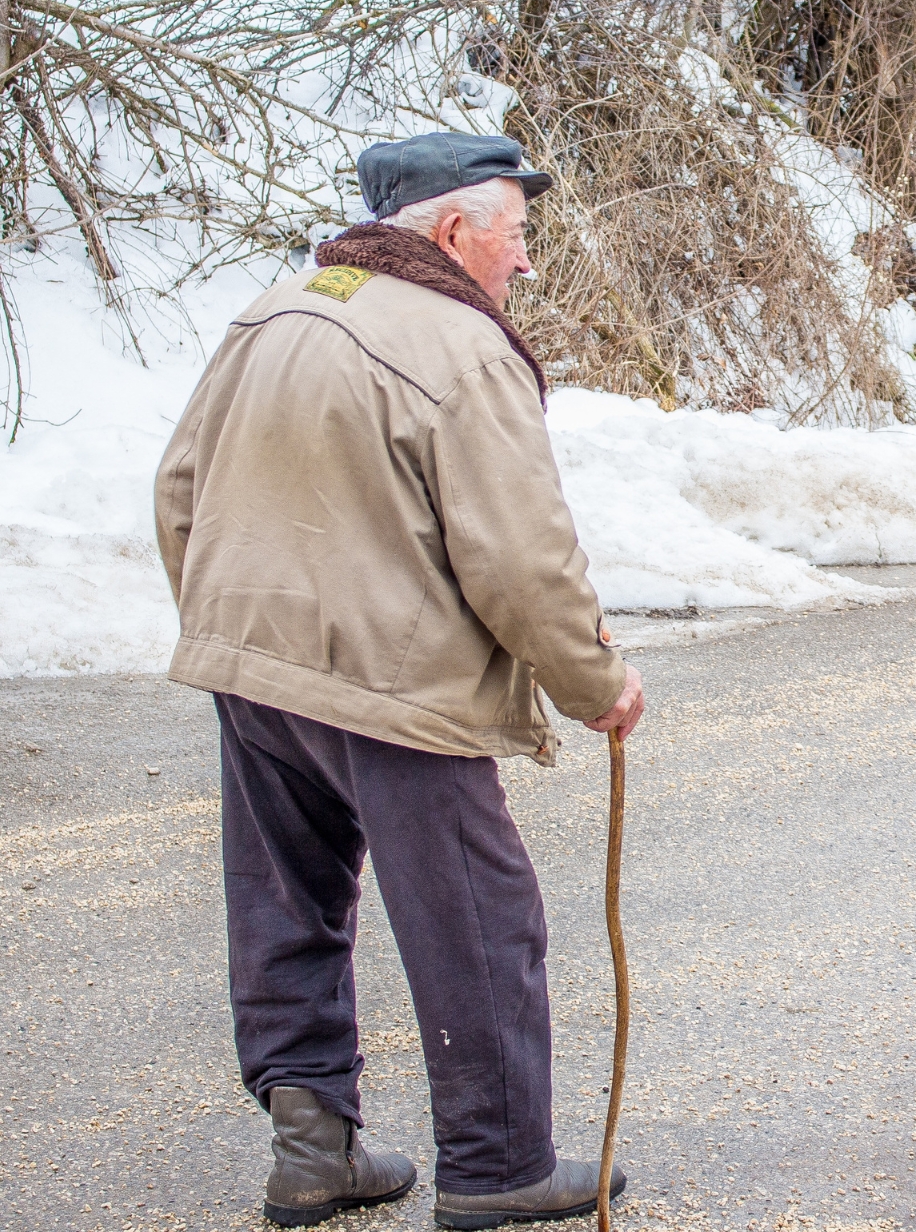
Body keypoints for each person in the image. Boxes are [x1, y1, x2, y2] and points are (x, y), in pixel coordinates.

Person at [154, 131, 646, 1229]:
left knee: (287, 903)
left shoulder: (274, 309)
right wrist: (593, 681)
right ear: (456, 229)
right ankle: (498, 1167)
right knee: (479, 919)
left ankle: (313, 1148)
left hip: (254, 663)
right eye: (516, 236)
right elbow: (521, 557)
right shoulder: (461, 348)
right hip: (391, 681)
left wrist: (230, 623)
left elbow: (178, 487)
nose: (524, 264)